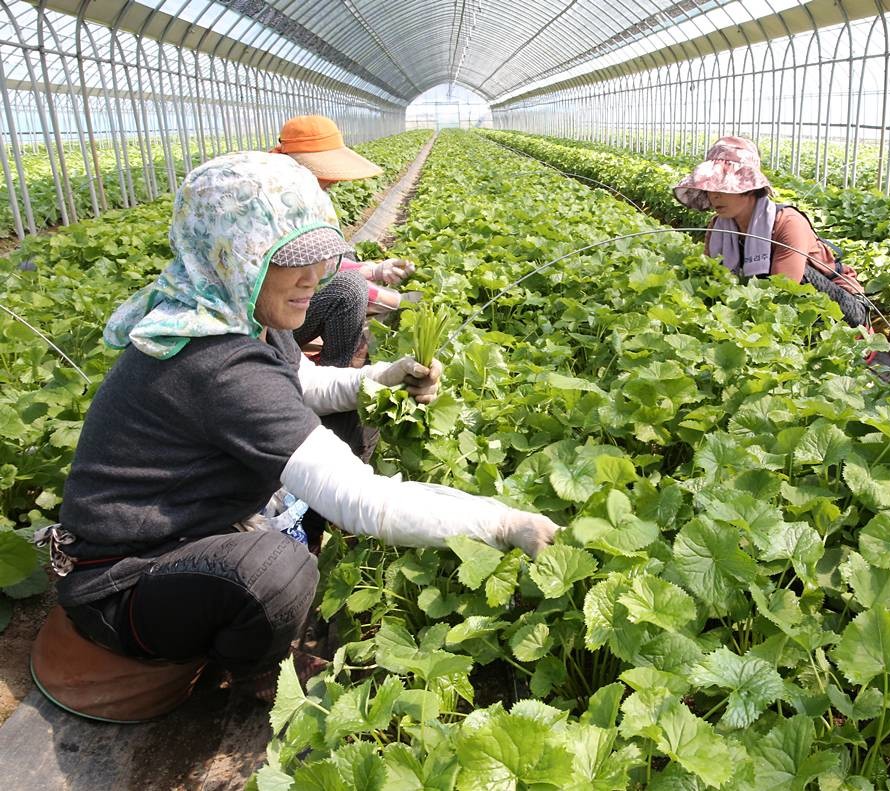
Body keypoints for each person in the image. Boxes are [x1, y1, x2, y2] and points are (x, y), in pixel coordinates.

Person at [35, 152, 559, 719]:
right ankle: (259, 673)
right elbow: (365, 502)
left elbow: (302, 385)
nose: (314, 277)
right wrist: (501, 523)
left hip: (194, 529)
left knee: (346, 424)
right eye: (289, 260)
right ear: (238, 258)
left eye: (319, 255)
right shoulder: (216, 363)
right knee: (273, 575)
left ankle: (257, 572)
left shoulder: (235, 313)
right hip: (124, 582)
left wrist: (378, 379)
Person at [673, 136, 870, 326]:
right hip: (778, 308)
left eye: (723, 187)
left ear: (748, 188)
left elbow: (783, 292)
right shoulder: (718, 226)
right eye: (710, 186)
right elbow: (713, 277)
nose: (714, 196)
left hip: (844, 307)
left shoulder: (787, 222)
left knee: (798, 277)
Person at [271, 114, 414, 370]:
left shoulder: (303, 194)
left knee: (346, 256)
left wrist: (373, 270)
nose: (334, 180)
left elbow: (329, 262)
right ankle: (335, 368)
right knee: (349, 289)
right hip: (270, 321)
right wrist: (389, 297)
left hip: (284, 308)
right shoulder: (279, 206)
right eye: (326, 172)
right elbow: (322, 275)